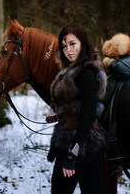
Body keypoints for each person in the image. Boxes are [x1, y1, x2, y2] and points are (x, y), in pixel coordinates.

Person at [46, 23, 108, 194]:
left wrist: (73, 152)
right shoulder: (74, 71)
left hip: (76, 144)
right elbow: (62, 104)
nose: (68, 49)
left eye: (72, 44)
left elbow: (89, 112)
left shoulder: (86, 72)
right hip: (91, 145)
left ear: (83, 43)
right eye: (64, 46)